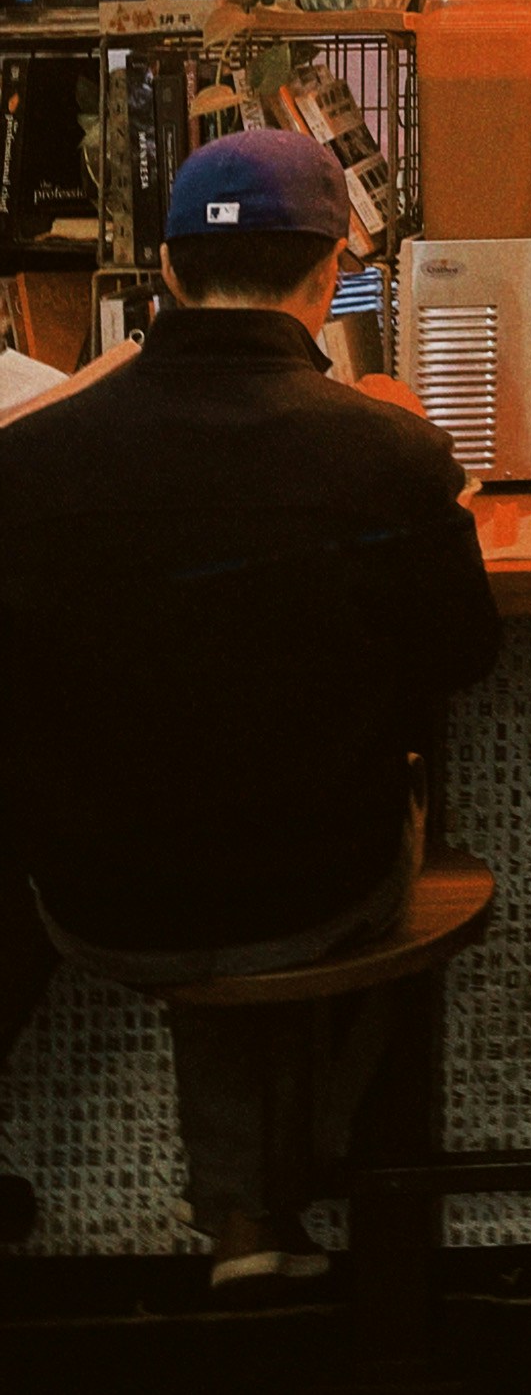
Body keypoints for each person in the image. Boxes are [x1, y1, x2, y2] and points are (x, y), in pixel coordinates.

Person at [0, 130, 499, 1291]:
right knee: (327, 871)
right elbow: (465, 653)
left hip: (97, 895)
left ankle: (248, 1219)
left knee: (201, 837)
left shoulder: (30, 459)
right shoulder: (387, 447)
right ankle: (295, 1197)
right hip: (323, 883)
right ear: (330, 273)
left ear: (167, 271)